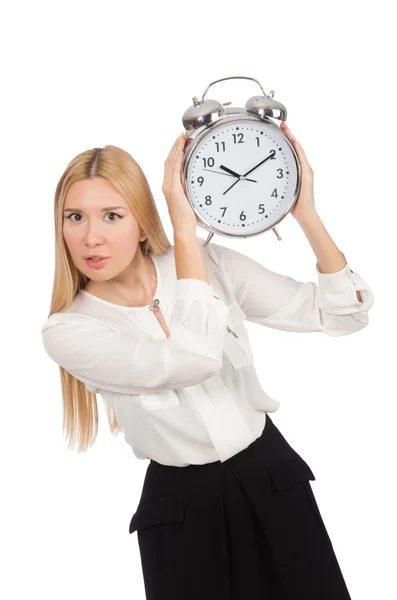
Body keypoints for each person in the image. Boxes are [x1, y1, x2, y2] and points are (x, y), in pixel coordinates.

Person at [41, 125, 374, 600]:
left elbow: (344, 314)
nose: (91, 237)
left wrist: (307, 215)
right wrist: (184, 234)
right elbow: (192, 358)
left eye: (111, 215)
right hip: (182, 514)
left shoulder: (212, 264)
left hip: (272, 481)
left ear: (140, 221)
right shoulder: (68, 332)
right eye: (75, 217)